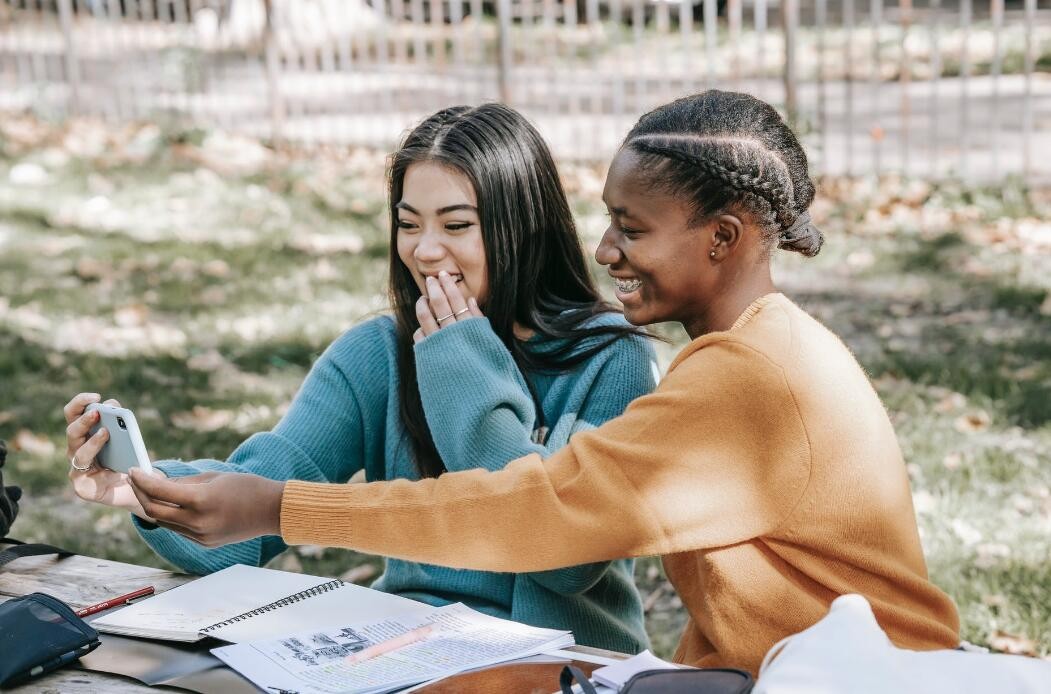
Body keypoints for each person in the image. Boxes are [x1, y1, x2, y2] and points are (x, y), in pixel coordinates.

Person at [119, 90, 962, 674]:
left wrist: (291, 503)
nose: (606, 252)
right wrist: (146, 484)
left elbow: (541, 521)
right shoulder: (741, 356)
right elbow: (253, 489)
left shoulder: (739, 375)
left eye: (631, 229)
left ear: (723, 237)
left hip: (866, 677)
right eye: (408, 225)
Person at [63, 103, 659, 654]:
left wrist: (460, 368)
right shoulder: (378, 352)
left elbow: (561, 552)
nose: (424, 251)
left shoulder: (610, 359)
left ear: (522, 228)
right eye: (408, 224)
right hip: (412, 648)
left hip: (567, 661)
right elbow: (258, 505)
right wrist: (143, 489)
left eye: (456, 225)